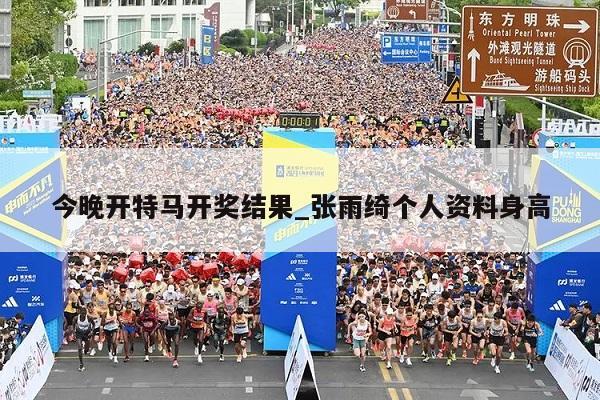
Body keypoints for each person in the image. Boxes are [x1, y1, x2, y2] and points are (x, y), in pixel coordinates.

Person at [74, 307, 94, 371]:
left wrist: (91, 331)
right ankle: (81, 364)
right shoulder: (76, 318)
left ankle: (85, 350)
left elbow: (93, 325)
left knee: (86, 350)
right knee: (79, 348)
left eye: (84, 313)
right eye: (82, 313)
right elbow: (73, 325)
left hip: (86, 333)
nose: (83, 315)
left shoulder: (89, 318)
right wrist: (74, 332)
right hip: (79, 333)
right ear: (80, 313)